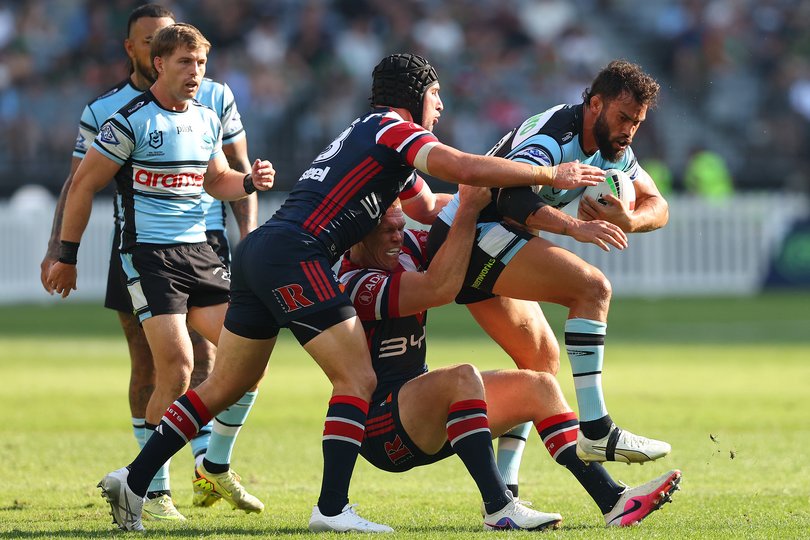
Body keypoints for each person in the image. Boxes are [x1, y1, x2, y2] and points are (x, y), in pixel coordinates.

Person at [96, 52, 607, 533]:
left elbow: (429, 208)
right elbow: (465, 168)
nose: (442, 107)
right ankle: (332, 508)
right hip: (297, 253)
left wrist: (491, 205)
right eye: (436, 96)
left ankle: (134, 480)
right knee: (357, 376)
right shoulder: (395, 128)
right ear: (415, 97)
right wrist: (548, 173)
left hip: (263, 249)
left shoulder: (370, 135)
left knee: (224, 386)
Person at [38, 5, 262, 520]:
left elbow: (220, 177)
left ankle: (209, 466)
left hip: (205, 252)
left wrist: (249, 190)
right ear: (149, 56)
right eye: (185, 60)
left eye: (202, 62)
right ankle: (151, 488)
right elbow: (82, 184)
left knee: (245, 354)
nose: (196, 71)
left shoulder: (210, 111)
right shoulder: (118, 117)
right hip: (146, 256)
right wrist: (63, 253)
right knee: (173, 368)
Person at [338, 196, 681, 529]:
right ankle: (499, 507)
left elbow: (463, 238)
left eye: (401, 227)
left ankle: (614, 501)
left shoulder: (410, 246)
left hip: (424, 417)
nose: (399, 236)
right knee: (462, 377)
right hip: (381, 428)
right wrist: (472, 205)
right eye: (388, 231)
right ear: (359, 234)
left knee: (539, 384)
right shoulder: (355, 284)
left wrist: (526, 206)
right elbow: (437, 286)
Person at [426, 60, 672, 491]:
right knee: (592, 288)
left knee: (541, 365)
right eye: (623, 117)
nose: (629, 130)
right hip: (471, 235)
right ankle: (596, 430)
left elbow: (660, 204)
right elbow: (508, 198)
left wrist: (631, 220)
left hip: (492, 240)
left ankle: (505, 492)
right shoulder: (556, 135)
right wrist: (575, 227)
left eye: (637, 122)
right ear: (595, 104)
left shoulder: (614, 147)